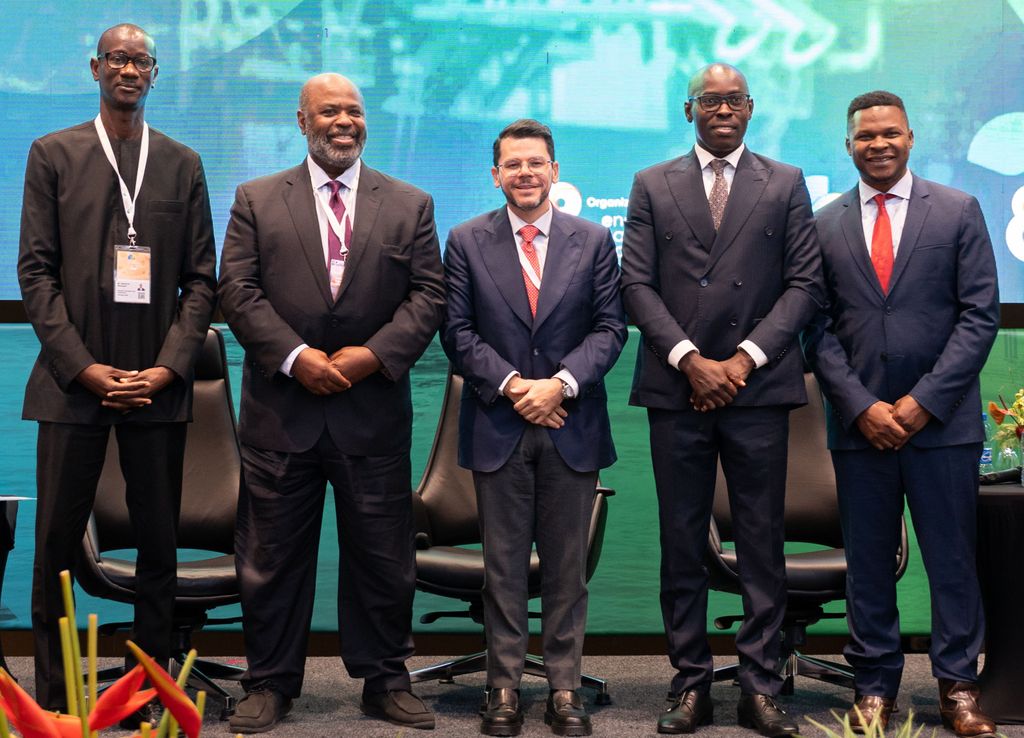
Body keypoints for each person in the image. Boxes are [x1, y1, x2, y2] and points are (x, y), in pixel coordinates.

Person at [217, 72, 445, 733]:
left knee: (383, 559)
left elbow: (428, 295)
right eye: (329, 111)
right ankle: (269, 683)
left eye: (354, 110)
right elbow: (237, 291)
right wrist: (297, 357)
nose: (344, 121)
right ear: (302, 122)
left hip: (371, 413)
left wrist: (370, 356)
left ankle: (385, 681)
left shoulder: (410, 203)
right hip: (281, 413)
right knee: (271, 561)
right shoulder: (257, 199)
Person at [17, 23, 216, 725]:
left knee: (159, 549)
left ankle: (150, 695)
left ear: (154, 74)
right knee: (55, 551)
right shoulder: (53, 154)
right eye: (118, 59)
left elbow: (201, 280)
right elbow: (35, 272)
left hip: (156, 390)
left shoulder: (183, 163)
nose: (129, 70)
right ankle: (53, 701)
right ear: (95, 68)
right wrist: (83, 367)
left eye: (142, 61)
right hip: (72, 387)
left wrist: (166, 369)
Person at [620, 63, 823, 736]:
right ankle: (689, 684)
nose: (724, 109)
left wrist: (741, 361)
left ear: (752, 107)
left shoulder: (785, 182)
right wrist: (690, 360)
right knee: (681, 541)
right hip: (677, 388)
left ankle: (761, 685)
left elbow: (804, 285)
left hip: (757, 387)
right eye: (711, 100)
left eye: (735, 99)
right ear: (689, 110)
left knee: (761, 542)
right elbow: (635, 285)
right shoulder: (652, 183)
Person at [802, 90, 999, 737]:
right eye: (866, 136)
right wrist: (861, 406)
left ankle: (958, 687)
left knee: (952, 562)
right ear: (848, 146)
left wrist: (921, 403)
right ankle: (873, 688)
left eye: (890, 133)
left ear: (910, 138)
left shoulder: (958, 210)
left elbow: (979, 316)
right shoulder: (822, 224)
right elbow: (816, 331)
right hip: (861, 430)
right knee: (868, 565)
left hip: (942, 427)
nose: (878, 144)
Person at [442, 119, 626, 737]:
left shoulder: (593, 240)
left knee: (567, 570)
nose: (525, 173)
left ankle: (565, 688)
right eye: (513, 164)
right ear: (496, 175)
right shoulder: (466, 241)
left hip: (573, 423)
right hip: (499, 424)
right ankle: (502, 687)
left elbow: (611, 329)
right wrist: (519, 388)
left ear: (555, 171)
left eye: (535, 163)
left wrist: (560, 385)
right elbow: (457, 333)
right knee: (503, 569)